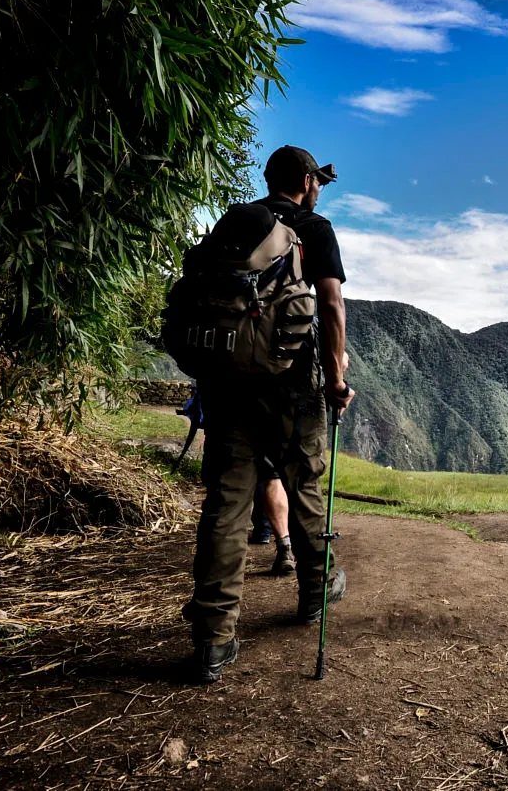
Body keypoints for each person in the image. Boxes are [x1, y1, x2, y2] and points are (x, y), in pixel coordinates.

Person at [183, 145, 357, 684]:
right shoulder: (314, 228)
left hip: (226, 382)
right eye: (317, 181)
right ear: (305, 181)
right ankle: (315, 592)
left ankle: (213, 636)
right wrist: (335, 377)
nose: (319, 188)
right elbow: (330, 305)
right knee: (304, 486)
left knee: (227, 502)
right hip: (292, 385)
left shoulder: (236, 224)